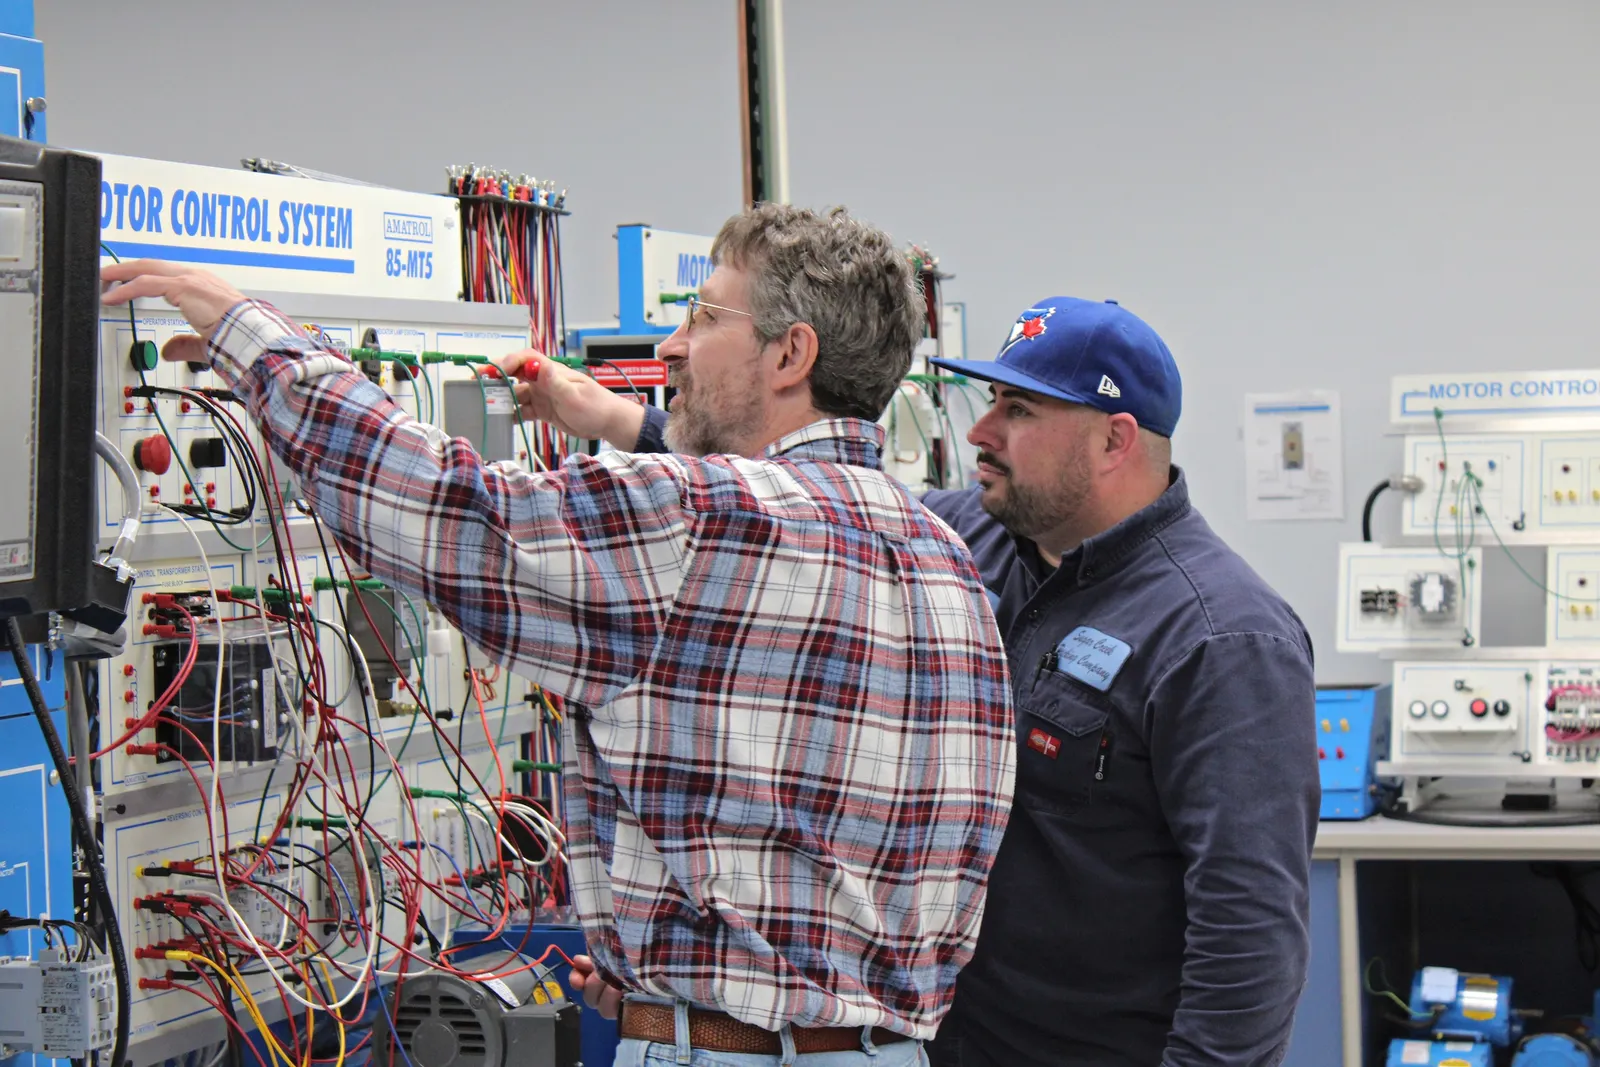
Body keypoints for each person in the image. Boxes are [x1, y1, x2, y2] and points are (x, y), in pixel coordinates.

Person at [100, 203, 1016, 1067]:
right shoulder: (947, 558)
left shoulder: (699, 518)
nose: (672, 344)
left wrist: (254, 335)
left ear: (791, 353)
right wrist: (669, 974)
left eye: (702, 316)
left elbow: (444, 511)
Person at [913, 297, 1320, 1066]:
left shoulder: (1222, 638)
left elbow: (1250, 931)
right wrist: (645, 432)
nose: (980, 432)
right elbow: (833, 505)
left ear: (1114, 439)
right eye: (992, 400)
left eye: (1020, 409)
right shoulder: (982, 542)